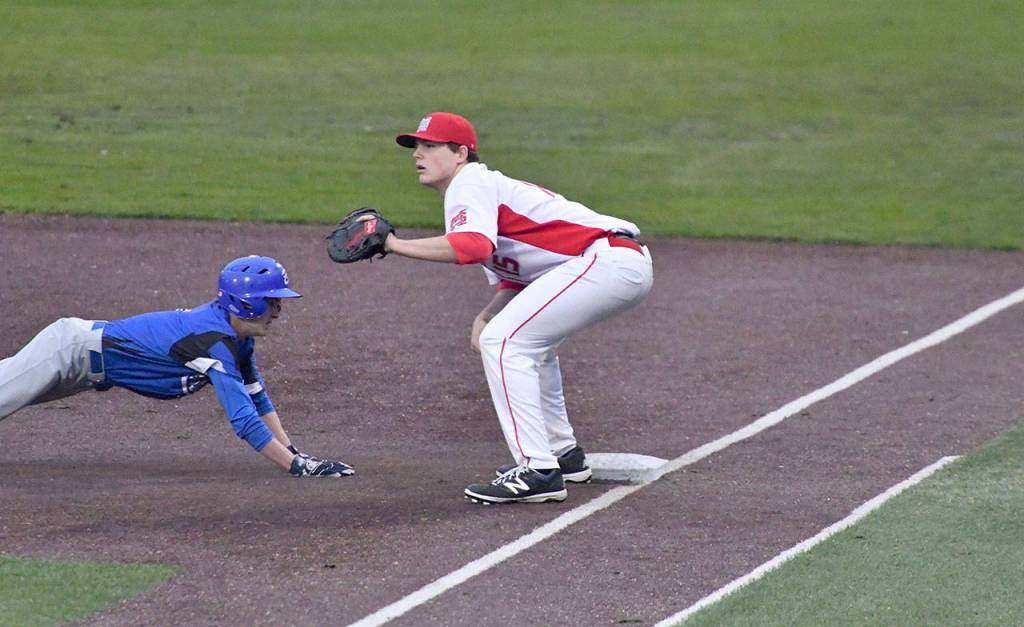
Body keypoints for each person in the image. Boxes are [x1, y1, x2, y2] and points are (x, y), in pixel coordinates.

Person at [384, 112, 654, 504]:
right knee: (528, 342)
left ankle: (537, 469)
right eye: (416, 147)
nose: (417, 154)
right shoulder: (474, 190)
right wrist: (487, 313)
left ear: (460, 153)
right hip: (610, 264)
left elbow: (472, 246)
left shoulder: (469, 182)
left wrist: (395, 245)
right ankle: (563, 456)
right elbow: (517, 277)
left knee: (505, 342)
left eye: (429, 146)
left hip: (607, 261)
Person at [0, 255, 353, 478]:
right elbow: (243, 420)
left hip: (84, 368)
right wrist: (296, 468)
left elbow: (256, 396)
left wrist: (293, 453)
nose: (278, 312)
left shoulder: (238, 339)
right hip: (68, 351)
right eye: (272, 303)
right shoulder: (214, 341)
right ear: (245, 305)